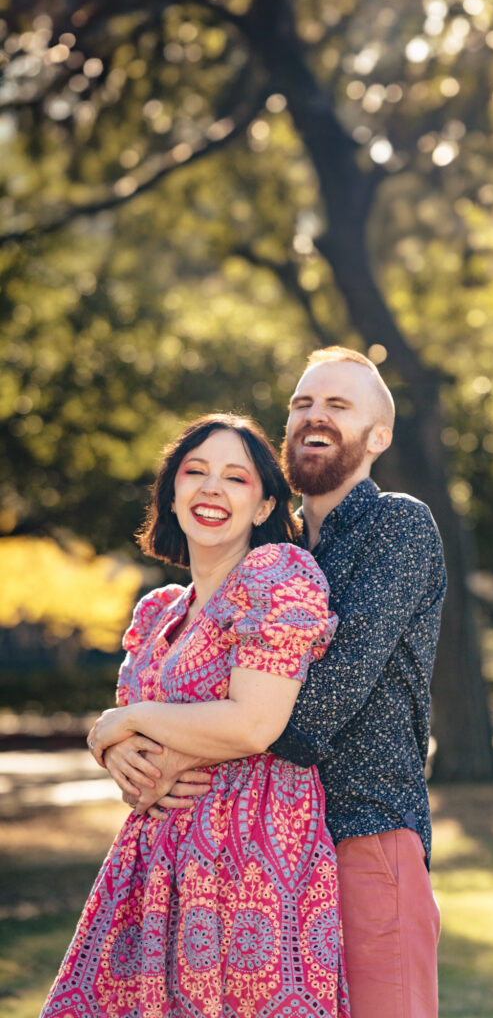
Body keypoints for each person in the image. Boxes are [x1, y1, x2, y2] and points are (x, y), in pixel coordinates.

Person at [111, 348, 447, 1018]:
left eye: (338, 405)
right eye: (302, 403)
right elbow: (205, 680)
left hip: (363, 835)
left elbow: (317, 708)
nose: (314, 415)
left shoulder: (397, 526)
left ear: (378, 436)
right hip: (263, 861)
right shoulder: (272, 553)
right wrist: (119, 743)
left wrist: (153, 743)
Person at [41, 413, 350, 1018]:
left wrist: (120, 723)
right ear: (172, 495)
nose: (211, 488)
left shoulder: (275, 575)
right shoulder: (158, 611)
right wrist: (113, 746)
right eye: (195, 472)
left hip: (250, 860)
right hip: (151, 871)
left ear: (263, 507)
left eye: (236, 478)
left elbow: (253, 724)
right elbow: (144, 752)